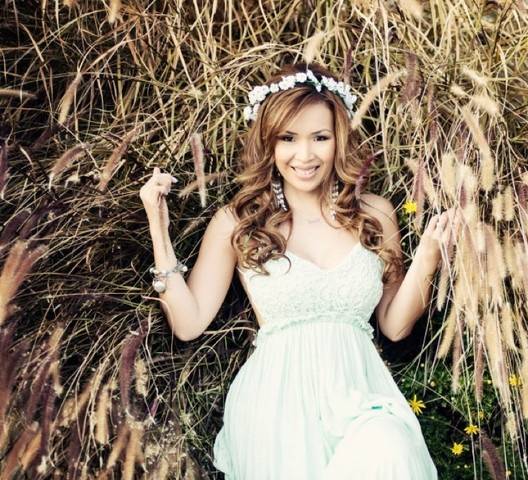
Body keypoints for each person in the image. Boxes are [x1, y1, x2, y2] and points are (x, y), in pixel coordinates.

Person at [139, 62, 460, 479]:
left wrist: (431, 254)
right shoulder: (239, 221)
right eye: (288, 139)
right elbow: (188, 323)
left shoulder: (374, 215)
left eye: (320, 138)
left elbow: (395, 325)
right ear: (269, 143)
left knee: (390, 446)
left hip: (361, 396)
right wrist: (158, 229)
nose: (304, 155)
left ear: (338, 140)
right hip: (276, 408)